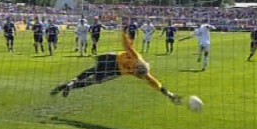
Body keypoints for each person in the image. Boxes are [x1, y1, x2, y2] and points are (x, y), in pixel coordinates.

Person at [50, 25, 183, 106]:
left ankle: (71, 82)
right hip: (115, 70)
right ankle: (72, 85)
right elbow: (156, 84)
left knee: (93, 70)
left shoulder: (137, 58)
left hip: (111, 57)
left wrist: (124, 31)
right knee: (93, 81)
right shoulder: (142, 73)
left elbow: (127, 45)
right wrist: (169, 95)